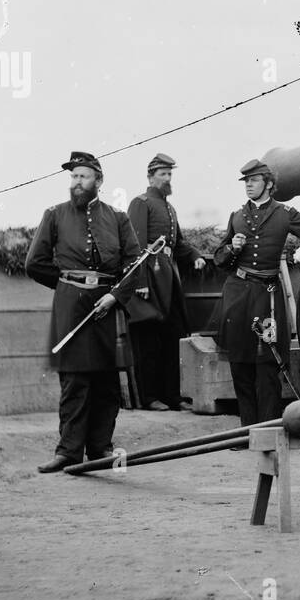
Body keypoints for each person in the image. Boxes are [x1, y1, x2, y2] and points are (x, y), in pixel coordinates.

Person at [26, 151, 142, 473]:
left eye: (83, 176)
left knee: (106, 382)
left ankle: (101, 448)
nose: (77, 183)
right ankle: (69, 452)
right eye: (73, 177)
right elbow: (34, 263)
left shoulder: (118, 219)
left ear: (98, 181)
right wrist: (69, 286)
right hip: (71, 308)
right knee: (74, 381)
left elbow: (134, 265)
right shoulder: (54, 215)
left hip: (107, 307)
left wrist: (116, 296)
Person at [213, 159, 300, 426]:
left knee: (269, 362)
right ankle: (246, 431)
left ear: (268, 184)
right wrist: (232, 248)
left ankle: (267, 429)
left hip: (267, 295)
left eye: (253, 181)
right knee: (240, 363)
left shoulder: (284, 213)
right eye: (245, 181)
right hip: (238, 296)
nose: (248, 186)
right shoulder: (236, 216)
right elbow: (219, 260)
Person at [127, 152, 205, 411]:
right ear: (150, 176)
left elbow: (178, 243)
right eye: (163, 174)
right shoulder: (140, 203)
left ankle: (173, 395)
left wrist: (194, 255)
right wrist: (139, 282)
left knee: (173, 336)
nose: (167, 178)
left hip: (169, 277)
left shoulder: (170, 208)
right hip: (148, 276)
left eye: (170, 174)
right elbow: (134, 244)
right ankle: (150, 397)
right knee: (149, 340)